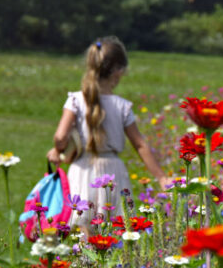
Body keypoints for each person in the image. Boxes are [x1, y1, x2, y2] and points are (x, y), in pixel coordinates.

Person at [47, 36, 165, 234]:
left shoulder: (75, 100)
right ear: (118, 71)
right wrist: (161, 177)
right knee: (114, 230)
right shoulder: (122, 106)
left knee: (82, 230)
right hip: (113, 172)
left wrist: (58, 150)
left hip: (82, 170)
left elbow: (60, 137)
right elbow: (140, 145)